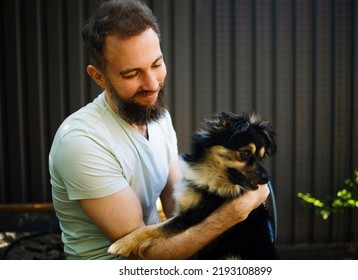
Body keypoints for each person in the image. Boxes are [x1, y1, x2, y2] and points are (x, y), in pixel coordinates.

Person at [49, 0, 270, 260]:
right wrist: (235, 211)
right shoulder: (82, 142)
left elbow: (178, 203)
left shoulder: (156, 115)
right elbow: (145, 254)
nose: (152, 85)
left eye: (156, 64)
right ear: (99, 77)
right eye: (132, 74)